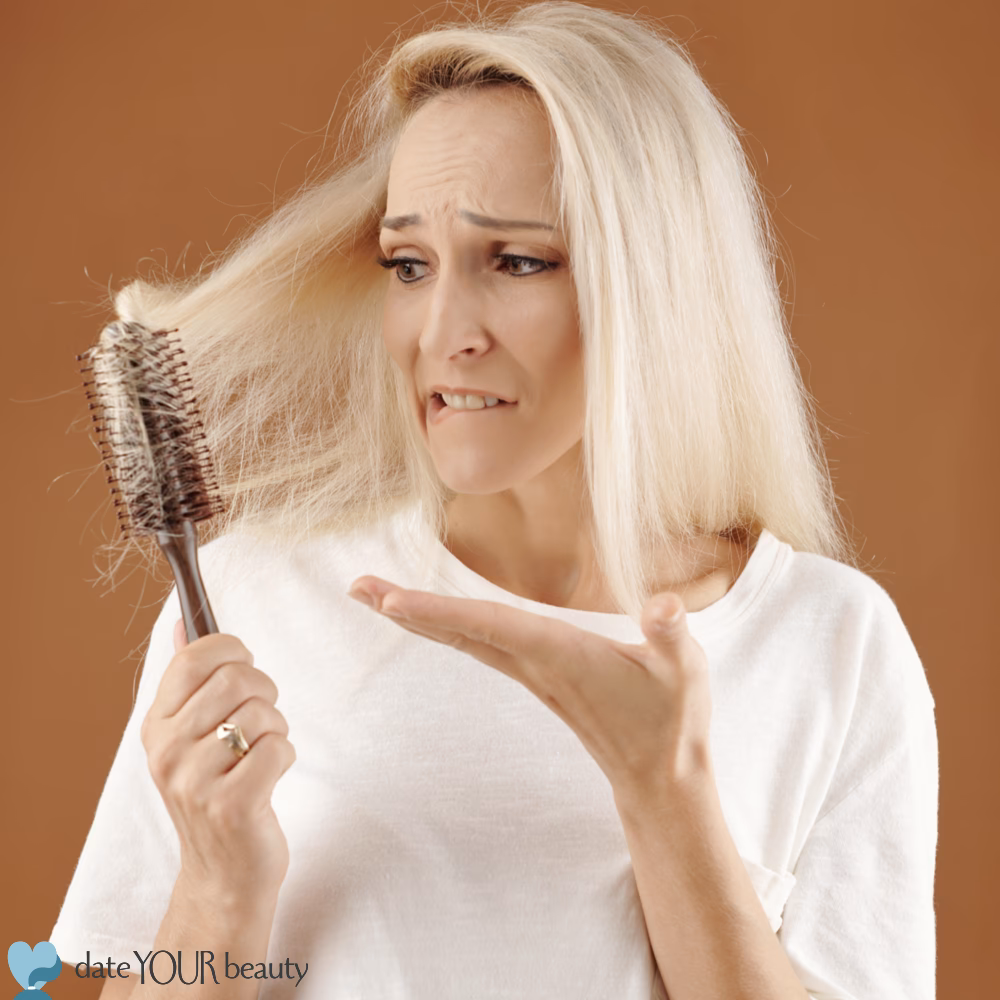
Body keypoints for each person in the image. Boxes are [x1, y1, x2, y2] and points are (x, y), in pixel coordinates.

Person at [51, 3, 938, 998]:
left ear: (658, 282)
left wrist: (665, 793)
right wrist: (218, 886)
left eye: (515, 260)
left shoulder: (828, 642)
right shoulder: (252, 603)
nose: (442, 330)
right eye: (408, 264)